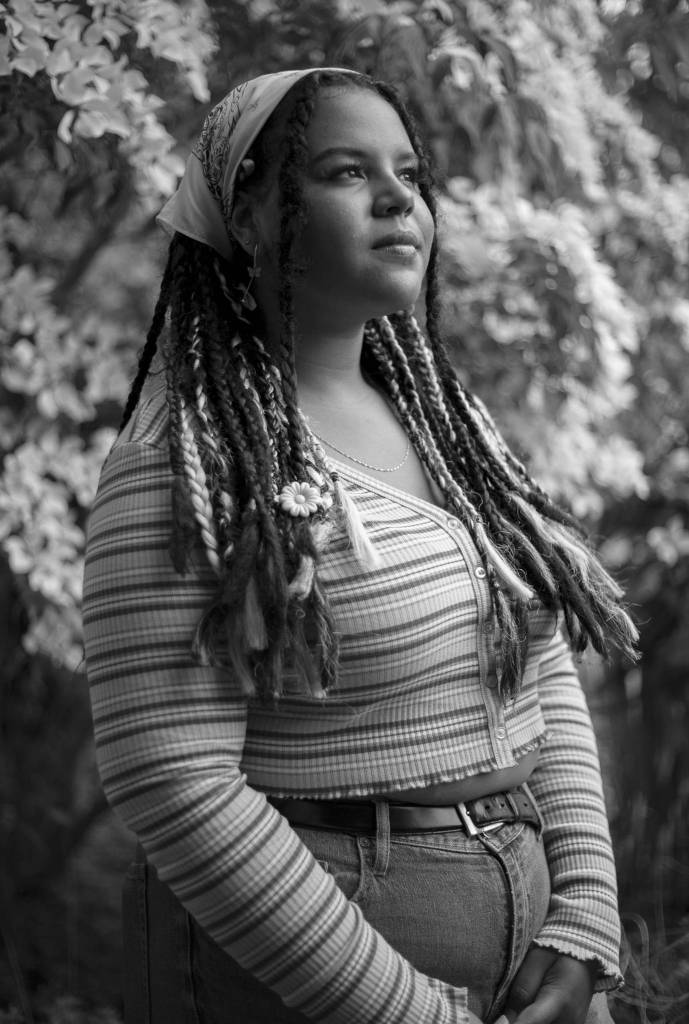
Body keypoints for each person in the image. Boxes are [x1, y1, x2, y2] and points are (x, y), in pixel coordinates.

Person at [82, 67, 638, 1024]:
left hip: (527, 939)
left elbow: (535, 663)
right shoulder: (187, 459)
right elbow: (174, 778)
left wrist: (581, 918)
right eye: (345, 172)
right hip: (310, 976)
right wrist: (407, 1012)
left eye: (409, 173)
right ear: (246, 214)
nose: (398, 200)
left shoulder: (439, 415)